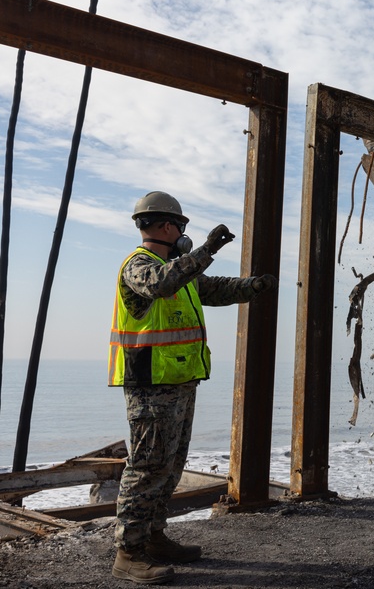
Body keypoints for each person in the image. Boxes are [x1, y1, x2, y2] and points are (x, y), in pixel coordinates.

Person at [108, 191, 277, 585]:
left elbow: (210, 288)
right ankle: (128, 553)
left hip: (179, 382)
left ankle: (153, 536)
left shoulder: (178, 270)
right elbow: (161, 286)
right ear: (167, 225)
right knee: (147, 465)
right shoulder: (140, 266)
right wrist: (206, 248)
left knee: (170, 464)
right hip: (151, 385)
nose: (183, 233)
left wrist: (251, 287)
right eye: (181, 226)